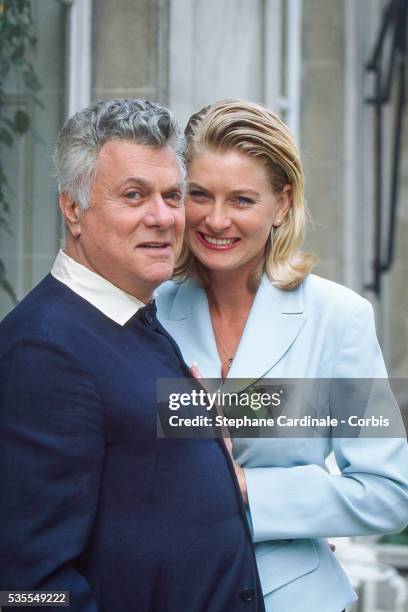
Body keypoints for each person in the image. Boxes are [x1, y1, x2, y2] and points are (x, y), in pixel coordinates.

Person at [0, 99, 265, 612]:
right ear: (73, 209)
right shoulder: (44, 351)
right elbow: (27, 588)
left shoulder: (135, 314)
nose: (164, 217)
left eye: (172, 195)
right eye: (133, 195)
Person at [155, 99, 408, 612]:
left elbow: (388, 492)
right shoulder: (147, 311)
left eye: (243, 200)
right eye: (199, 195)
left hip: (296, 598)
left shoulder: (338, 318)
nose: (216, 219)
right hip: (166, 590)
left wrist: (248, 489)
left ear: (282, 204)